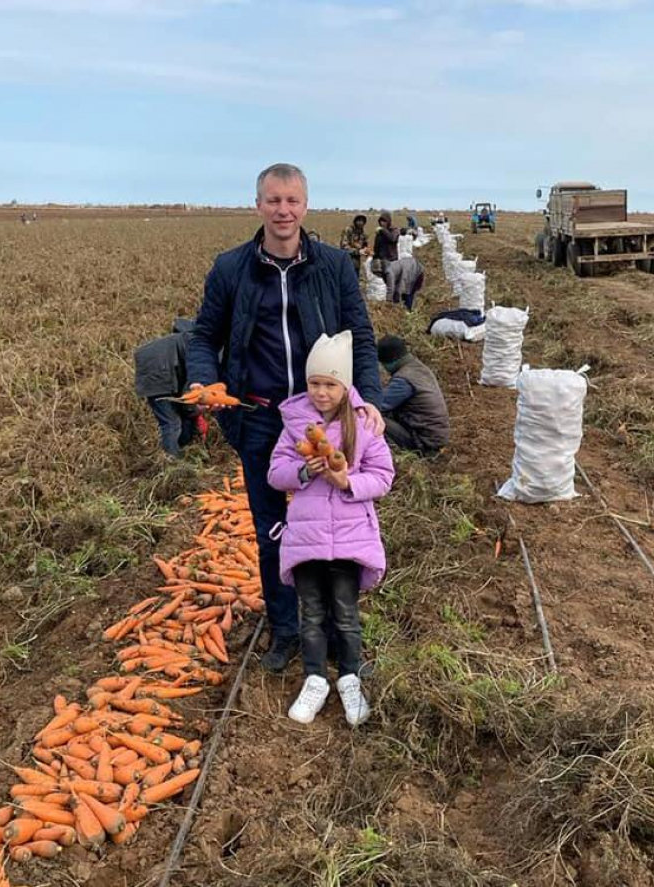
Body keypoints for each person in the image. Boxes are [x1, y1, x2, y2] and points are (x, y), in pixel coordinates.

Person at [186, 162, 385, 674]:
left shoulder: (333, 266)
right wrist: (203, 381)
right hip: (259, 416)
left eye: (292, 200)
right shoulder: (231, 268)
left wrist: (369, 404)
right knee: (272, 527)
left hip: (327, 419)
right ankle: (286, 629)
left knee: (335, 523)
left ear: (305, 205)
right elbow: (205, 336)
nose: (283, 210)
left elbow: (360, 336)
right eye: (273, 200)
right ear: (259, 205)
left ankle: (341, 634)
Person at [268, 331, 394, 725]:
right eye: (314, 384)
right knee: (311, 614)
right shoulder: (294, 425)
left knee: (344, 613)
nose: (321, 393)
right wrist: (304, 471)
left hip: (350, 537)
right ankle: (316, 679)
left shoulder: (363, 425)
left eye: (330, 385)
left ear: (345, 385)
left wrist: (347, 482)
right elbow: (275, 474)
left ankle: (351, 677)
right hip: (306, 537)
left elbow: (384, 476)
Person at [134, 318, 208, 459]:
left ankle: (182, 452)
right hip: (156, 370)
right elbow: (190, 392)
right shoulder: (208, 351)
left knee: (182, 419)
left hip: (164, 368)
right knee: (171, 422)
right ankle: (173, 464)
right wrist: (196, 412)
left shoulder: (202, 341)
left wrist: (194, 414)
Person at [377, 335, 450, 454]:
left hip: (424, 441)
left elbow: (379, 405)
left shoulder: (403, 380)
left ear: (389, 360)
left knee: (372, 419)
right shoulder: (417, 367)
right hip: (436, 435)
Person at [372, 211, 400, 301]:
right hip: (382, 260)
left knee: (391, 280)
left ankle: (391, 301)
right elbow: (376, 246)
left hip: (391, 259)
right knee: (385, 280)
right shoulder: (380, 233)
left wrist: (383, 230)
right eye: (380, 221)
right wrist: (374, 257)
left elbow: (392, 239)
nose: (382, 223)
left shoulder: (394, 230)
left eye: (384, 221)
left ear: (388, 221)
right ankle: (389, 299)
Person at [339, 214, 368, 279]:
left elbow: (364, 245)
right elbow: (344, 247)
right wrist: (357, 251)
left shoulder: (363, 233)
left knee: (355, 280)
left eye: (362, 221)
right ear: (355, 221)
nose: (361, 222)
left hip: (357, 262)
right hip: (346, 260)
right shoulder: (348, 230)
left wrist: (367, 251)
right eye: (359, 220)